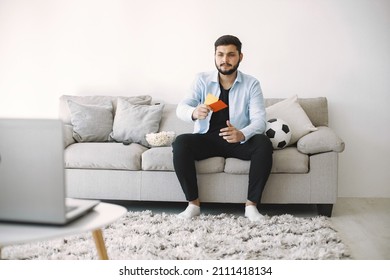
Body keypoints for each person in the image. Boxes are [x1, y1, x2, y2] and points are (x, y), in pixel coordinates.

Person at [172, 35, 273, 222]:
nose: (224, 60)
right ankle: (193, 204)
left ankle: (251, 206)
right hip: (207, 139)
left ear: (240, 57)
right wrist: (194, 112)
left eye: (230, 55)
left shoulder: (252, 84)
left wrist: (242, 133)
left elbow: (260, 120)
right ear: (215, 55)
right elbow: (181, 107)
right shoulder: (201, 80)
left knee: (263, 143)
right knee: (181, 142)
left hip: (237, 140)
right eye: (220, 54)